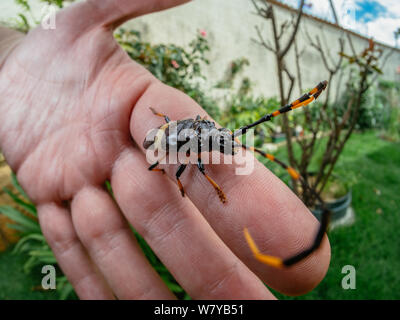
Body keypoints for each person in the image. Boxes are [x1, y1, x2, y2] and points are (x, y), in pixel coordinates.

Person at [0, 0, 330, 299]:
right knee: (189, 168)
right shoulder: (198, 147)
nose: (226, 146)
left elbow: (200, 130)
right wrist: (208, 183)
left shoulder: (206, 135)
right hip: (166, 139)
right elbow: (191, 150)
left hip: (174, 133)